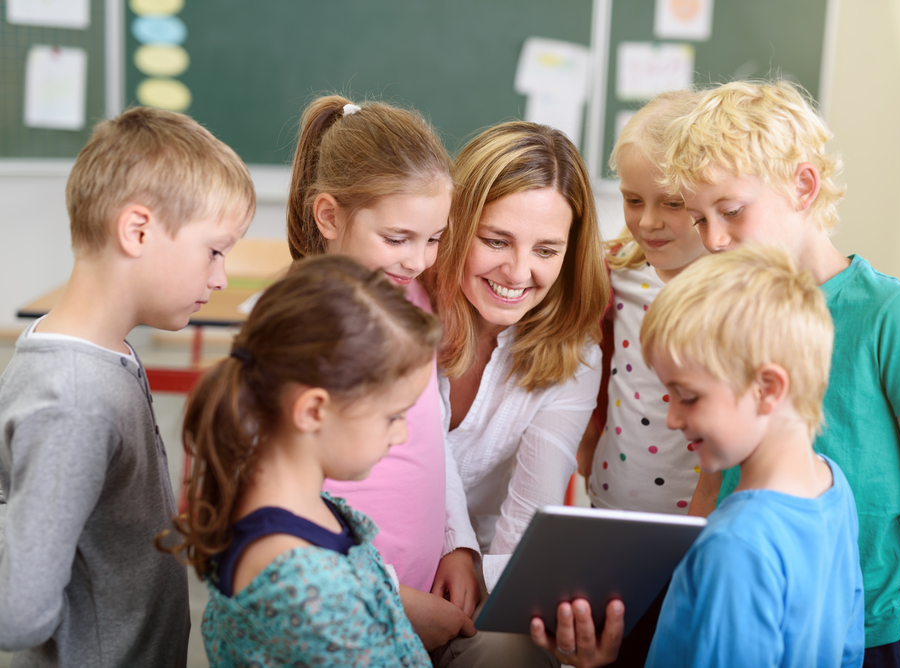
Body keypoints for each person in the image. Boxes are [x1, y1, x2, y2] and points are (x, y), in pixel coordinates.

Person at [663, 80, 900, 666]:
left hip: (869, 625)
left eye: (730, 212)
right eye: (699, 220)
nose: (714, 240)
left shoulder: (892, 314)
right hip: (750, 604)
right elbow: (711, 476)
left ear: (804, 186)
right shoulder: (725, 311)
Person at [0, 106, 256, 666]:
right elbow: (18, 612)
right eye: (214, 251)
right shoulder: (74, 399)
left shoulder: (98, 348)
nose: (219, 277)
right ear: (137, 231)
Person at [533, 245, 865, 668]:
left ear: (767, 389)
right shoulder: (833, 487)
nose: (672, 418)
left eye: (687, 397)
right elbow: (850, 649)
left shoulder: (734, 545)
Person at [167, 254, 445, 666]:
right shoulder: (305, 583)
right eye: (392, 416)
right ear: (313, 411)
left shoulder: (308, 510)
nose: (402, 433)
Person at [285, 95, 469, 649]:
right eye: (397, 239)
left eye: (434, 238)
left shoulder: (414, 301)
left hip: (415, 600)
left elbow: (433, 435)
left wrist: (458, 542)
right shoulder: (301, 327)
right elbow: (280, 504)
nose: (418, 260)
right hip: (340, 603)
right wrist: (389, 595)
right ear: (329, 216)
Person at [423, 121, 610, 667]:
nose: (518, 272)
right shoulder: (406, 310)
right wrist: (451, 549)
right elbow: (422, 456)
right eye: (496, 240)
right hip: (382, 551)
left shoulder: (573, 357)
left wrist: (507, 606)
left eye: (546, 250)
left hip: (479, 568)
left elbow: (532, 509)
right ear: (454, 225)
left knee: (514, 652)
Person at [578, 90, 709, 517]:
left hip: (702, 517)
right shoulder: (619, 273)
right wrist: (584, 443)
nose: (647, 221)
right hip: (610, 504)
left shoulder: (739, 291)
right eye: (633, 200)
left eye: (672, 203)